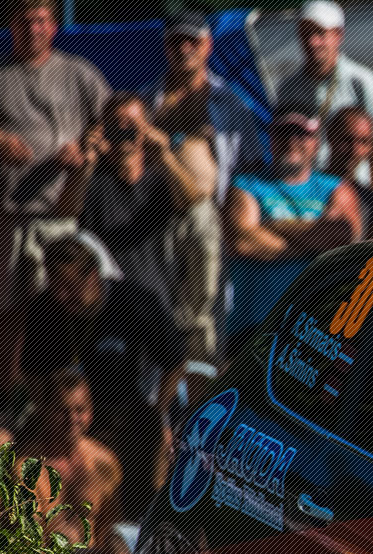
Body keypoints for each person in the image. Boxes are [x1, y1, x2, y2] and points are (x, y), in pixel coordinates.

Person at [20, 236, 181, 518]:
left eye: (70, 286)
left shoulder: (133, 302)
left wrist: (160, 412)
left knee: (144, 446)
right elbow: (32, 371)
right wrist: (46, 410)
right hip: (61, 409)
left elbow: (175, 360)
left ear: (93, 275)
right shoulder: (44, 309)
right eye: (56, 286)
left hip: (120, 411)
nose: (62, 296)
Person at [0, 0, 108, 389]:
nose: (34, 29)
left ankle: (62, 394)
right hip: (11, 219)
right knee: (10, 313)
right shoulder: (2, 77)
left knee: (63, 305)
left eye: (42, 20)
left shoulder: (78, 73)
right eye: (25, 21)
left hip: (65, 218)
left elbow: (110, 123)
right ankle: (9, 398)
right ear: (11, 26)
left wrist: (86, 147)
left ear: (54, 25)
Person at [142, 9, 262, 363]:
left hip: (210, 225)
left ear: (208, 45)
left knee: (203, 321)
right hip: (150, 222)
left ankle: (201, 387)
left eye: (192, 41)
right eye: (176, 41)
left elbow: (249, 168)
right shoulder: (146, 103)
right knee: (156, 314)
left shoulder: (229, 102)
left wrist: (236, 223)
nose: (184, 49)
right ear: (165, 47)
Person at [59, 93, 206, 317]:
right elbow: (65, 212)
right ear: (103, 130)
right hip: (106, 305)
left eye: (131, 125)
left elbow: (195, 205)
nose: (123, 132)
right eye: (115, 126)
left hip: (158, 304)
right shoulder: (92, 177)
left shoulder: (160, 176)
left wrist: (165, 156)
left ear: (147, 129)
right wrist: (87, 161)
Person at [223, 111, 360, 335]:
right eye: (284, 133)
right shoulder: (246, 184)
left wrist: (272, 226)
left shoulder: (337, 189)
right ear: (271, 139)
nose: (292, 141)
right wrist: (314, 249)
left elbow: (339, 235)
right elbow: (243, 242)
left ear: (316, 142)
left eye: (302, 134)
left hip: (313, 332)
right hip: (251, 327)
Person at [13, 366, 123, 554]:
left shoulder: (104, 463)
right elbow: (28, 551)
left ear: (91, 412)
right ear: (45, 412)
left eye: (80, 410)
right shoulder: (26, 469)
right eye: (63, 411)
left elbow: (108, 530)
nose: (73, 419)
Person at [273, 0, 373, 194]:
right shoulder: (288, 87)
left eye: (320, 33)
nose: (313, 41)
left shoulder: (363, 82)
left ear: (338, 35)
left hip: (353, 190)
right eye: (306, 33)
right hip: (303, 192)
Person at [325, 105, 373, 234]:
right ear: (330, 136)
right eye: (346, 139)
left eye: (363, 142)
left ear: (371, 147)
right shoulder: (301, 187)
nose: (354, 150)